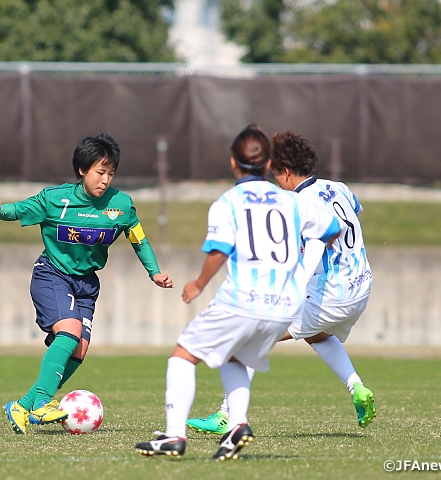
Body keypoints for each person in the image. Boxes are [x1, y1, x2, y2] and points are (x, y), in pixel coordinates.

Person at [134, 125, 341, 460]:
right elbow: (331, 229)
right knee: (236, 356)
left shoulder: (227, 202)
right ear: (268, 162)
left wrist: (198, 284)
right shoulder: (292, 201)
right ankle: (237, 424)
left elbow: (219, 250)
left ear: (233, 163)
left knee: (182, 355)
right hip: (284, 305)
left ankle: (173, 436)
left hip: (243, 299)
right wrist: (303, 269)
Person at [187, 130, 376, 436]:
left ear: (286, 172)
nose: (276, 182)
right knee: (316, 335)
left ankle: (225, 416)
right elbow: (353, 213)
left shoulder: (297, 202)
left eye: (276, 176)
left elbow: (313, 245)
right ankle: (357, 388)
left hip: (330, 294)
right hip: (361, 287)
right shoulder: (338, 188)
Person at [0, 133, 173, 434]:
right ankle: (43, 403)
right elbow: (19, 210)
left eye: (111, 173)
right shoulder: (56, 199)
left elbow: (139, 239)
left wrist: (155, 272)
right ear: (83, 170)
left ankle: (21, 406)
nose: (105, 180)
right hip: (52, 274)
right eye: (100, 172)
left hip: (86, 283)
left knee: (79, 349)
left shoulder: (121, 205)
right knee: (69, 332)